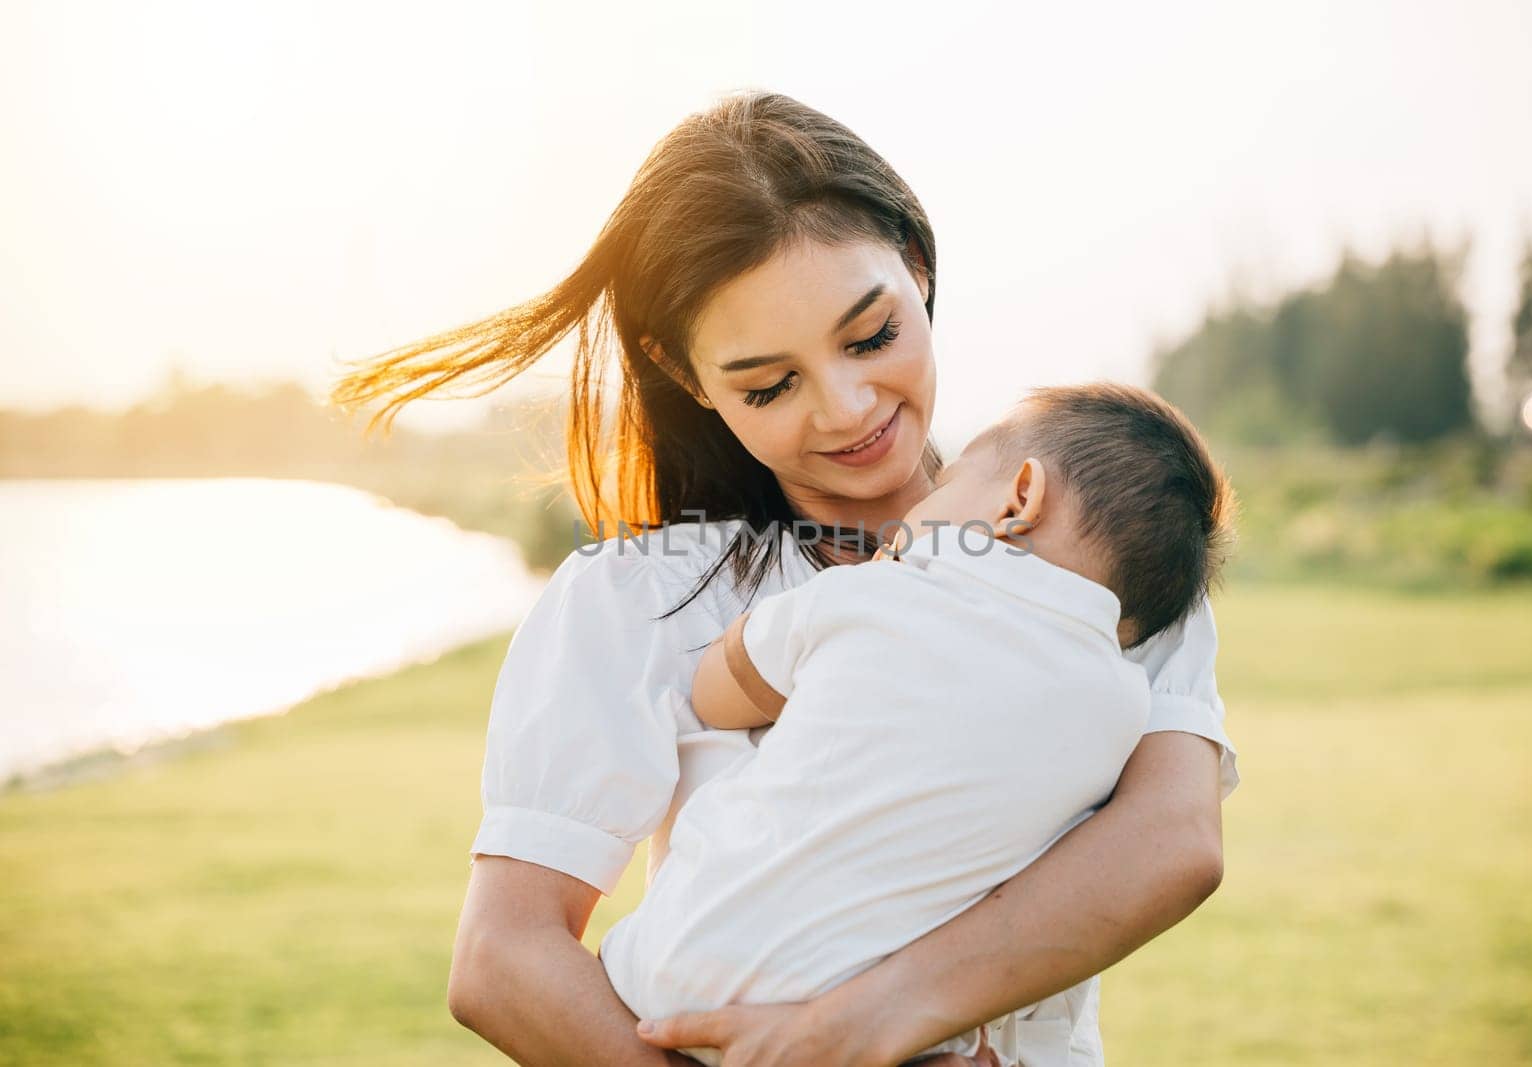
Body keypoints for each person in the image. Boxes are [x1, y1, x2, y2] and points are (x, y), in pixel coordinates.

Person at [332, 89, 1239, 1067]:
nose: (847, 409)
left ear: (918, 264)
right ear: (682, 373)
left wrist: (867, 1021)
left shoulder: (1103, 558)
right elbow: (505, 956)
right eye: (768, 384)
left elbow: (1172, 838)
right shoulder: (637, 600)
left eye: (871, 336)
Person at [597, 383, 1236, 1067]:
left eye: (948, 482)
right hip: (890, 1020)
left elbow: (718, 692)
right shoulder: (1123, 709)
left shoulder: (875, 594)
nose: (914, 511)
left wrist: (777, 641)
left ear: (1018, 498)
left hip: (671, 976)